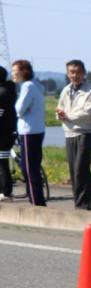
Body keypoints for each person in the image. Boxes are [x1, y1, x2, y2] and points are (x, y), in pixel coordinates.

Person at [56, 59, 91, 210]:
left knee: (82, 169)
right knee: (73, 171)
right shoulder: (66, 90)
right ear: (67, 74)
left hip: (84, 133)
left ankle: (84, 204)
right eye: (71, 72)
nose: (74, 75)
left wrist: (67, 115)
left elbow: (88, 113)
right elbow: (59, 108)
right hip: (69, 133)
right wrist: (61, 115)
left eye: (77, 72)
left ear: (83, 73)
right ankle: (77, 202)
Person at [11, 60, 46, 207]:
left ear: (23, 71)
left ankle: (36, 202)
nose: (13, 74)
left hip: (28, 131)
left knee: (29, 169)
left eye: (15, 71)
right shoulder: (36, 85)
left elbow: (19, 109)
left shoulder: (27, 86)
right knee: (33, 167)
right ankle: (37, 199)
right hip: (38, 129)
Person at [0, 66, 15, 202]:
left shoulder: (1, 93)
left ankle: (5, 192)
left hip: (2, 134)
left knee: (2, 163)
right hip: (9, 132)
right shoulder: (9, 89)